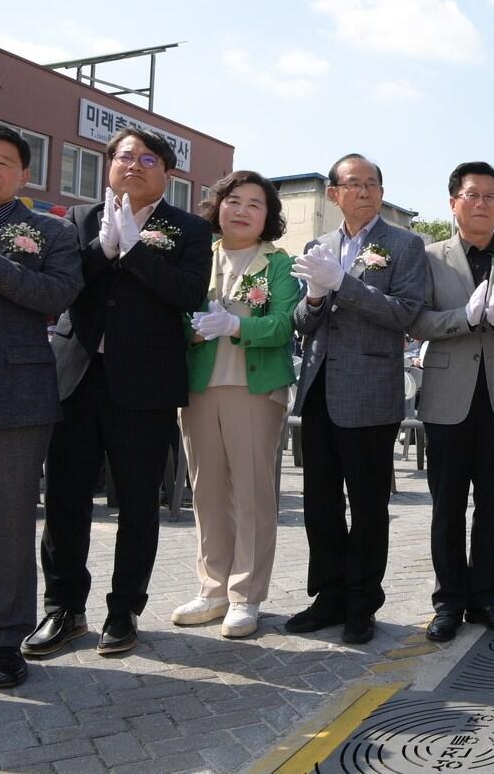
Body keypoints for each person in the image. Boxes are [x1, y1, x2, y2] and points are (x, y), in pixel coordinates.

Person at [27, 128, 212, 658]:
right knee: (64, 498)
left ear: (167, 174)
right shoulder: (76, 219)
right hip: (76, 377)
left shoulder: (189, 229)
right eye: (124, 156)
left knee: (136, 502)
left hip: (145, 384)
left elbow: (187, 293)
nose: (134, 165)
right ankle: (64, 607)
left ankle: (124, 608)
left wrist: (133, 252)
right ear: (109, 165)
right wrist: (101, 249)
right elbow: (60, 285)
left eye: (147, 158)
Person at [287, 154, 426, 645]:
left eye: (373, 184)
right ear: (333, 193)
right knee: (319, 502)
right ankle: (328, 595)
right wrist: (318, 298)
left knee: (367, 504)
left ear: (382, 193)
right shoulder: (318, 245)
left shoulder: (405, 245)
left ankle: (362, 602)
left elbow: (407, 313)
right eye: (354, 184)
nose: (364, 192)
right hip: (319, 386)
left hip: (370, 390)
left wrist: (342, 284)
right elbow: (302, 322)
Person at [410, 162, 494, 642]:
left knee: (492, 504)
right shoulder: (429, 257)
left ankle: (487, 597)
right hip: (449, 399)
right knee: (447, 505)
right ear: (454, 203)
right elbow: (417, 321)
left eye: (491, 196)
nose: (482, 203)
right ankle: (448, 602)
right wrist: (462, 319)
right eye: (473, 195)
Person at [171, 171, 302, 639]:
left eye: (254, 204)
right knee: (205, 489)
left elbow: (285, 324)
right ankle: (212, 589)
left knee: (250, 491)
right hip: (200, 386)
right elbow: (174, 310)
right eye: (233, 200)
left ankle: (246, 596)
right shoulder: (197, 254)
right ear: (218, 206)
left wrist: (237, 327)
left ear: (267, 216)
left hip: (254, 389)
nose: (242, 210)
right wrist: (192, 328)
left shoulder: (278, 264)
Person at [0, 124, 82, 687]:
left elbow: (56, 295)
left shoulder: (49, 230)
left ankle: (2, 639)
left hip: (15, 395)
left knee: (11, 526)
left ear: (23, 174)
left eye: (2, 162)